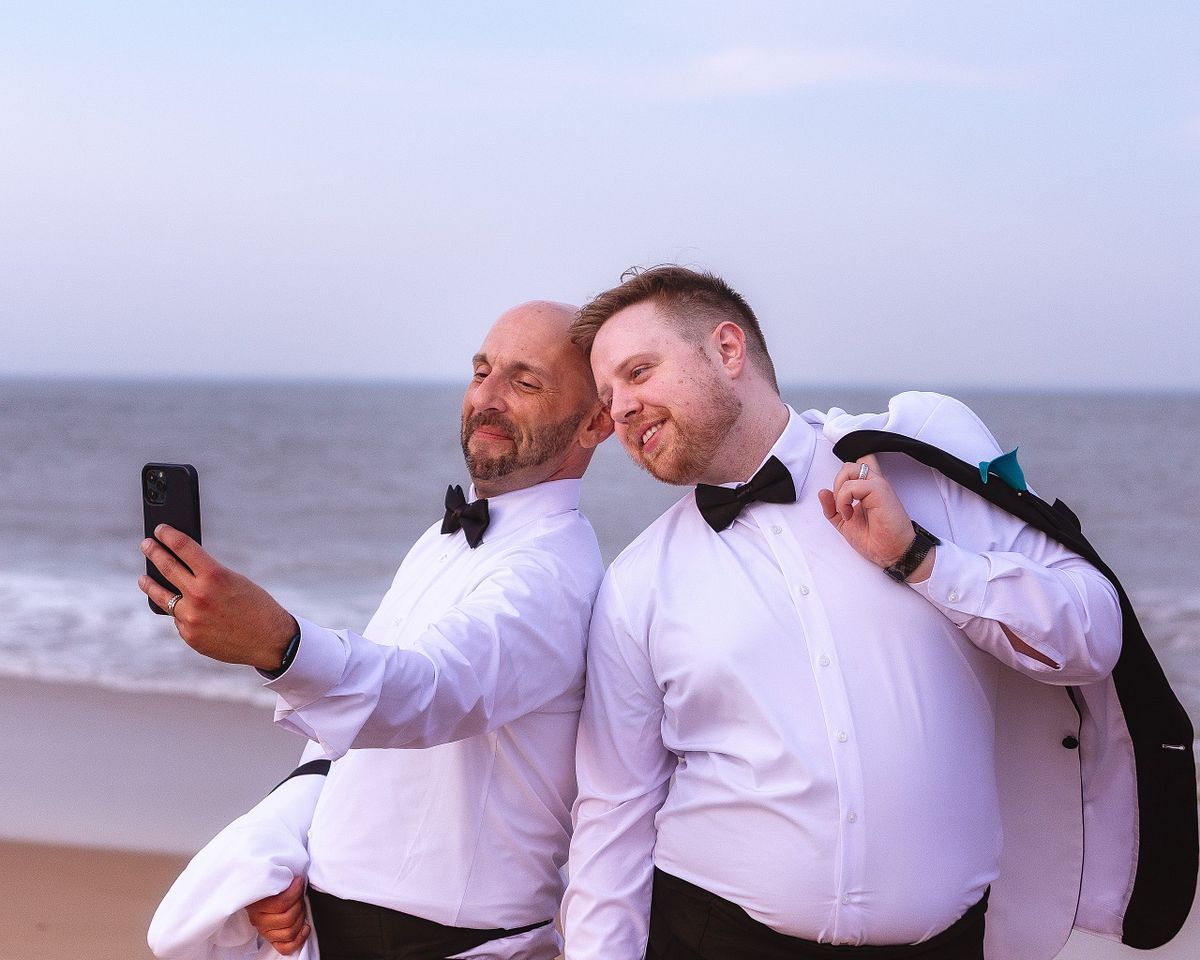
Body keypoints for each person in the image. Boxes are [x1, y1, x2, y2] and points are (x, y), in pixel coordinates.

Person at [559, 266, 1139, 960]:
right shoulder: (636, 583)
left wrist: (922, 559)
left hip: (944, 944)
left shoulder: (923, 458)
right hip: (709, 934)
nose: (619, 408)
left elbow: (1094, 636)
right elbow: (613, 810)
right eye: (607, 394)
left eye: (639, 371)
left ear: (727, 349)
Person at [140, 300, 613, 960]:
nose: (489, 398)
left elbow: (431, 695)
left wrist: (281, 645)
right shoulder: (442, 538)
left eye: (525, 381)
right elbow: (348, 743)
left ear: (597, 421)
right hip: (323, 923)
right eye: (482, 371)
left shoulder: (552, 573)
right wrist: (277, 862)